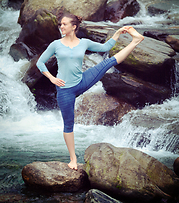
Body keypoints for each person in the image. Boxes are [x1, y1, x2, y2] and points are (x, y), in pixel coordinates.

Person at [36, 13, 144, 170]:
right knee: (68, 124)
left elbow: (106, 48)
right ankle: (73, 159)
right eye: (60, 24)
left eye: (64, 24)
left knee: (107, 63)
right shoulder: (55, 45)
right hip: (65, 90)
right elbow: (40, 63)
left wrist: (117, 34)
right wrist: (52, 78)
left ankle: (136, 41)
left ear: (74, 26)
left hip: (82, 81)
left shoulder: (84, 43)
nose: (61, 26)